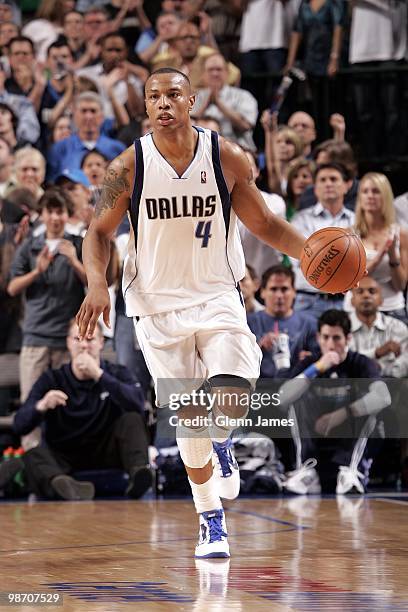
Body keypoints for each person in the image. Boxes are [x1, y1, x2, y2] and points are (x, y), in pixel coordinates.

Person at [76, 67, 307, 559]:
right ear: (145, 106)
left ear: (192, 101)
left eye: (172, 94)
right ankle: (211, 520)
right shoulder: (128, 167)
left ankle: (223, 440)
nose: (163, 103)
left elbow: (264, 222)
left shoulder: (225, 156)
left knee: (229, 391)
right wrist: (97, 282)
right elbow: (96, 234)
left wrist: (310, 253)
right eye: (153, 96)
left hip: (218, 294)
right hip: (157, 308)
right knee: (190, 417)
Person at [9, 319, 152, 501]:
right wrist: (42, 405)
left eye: (90, 339)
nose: (84, 345)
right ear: (69, 343)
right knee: (32, 453)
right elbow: (19, 425)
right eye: (77, 339)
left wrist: (99, 375)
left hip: (107, 451)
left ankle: (139, 474)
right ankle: (63, 484)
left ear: (101, 343)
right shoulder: (52, 379)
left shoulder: (116, 372)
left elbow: (139, 406)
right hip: (65, 456)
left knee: (131, 419)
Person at [279, 309, 391, 494]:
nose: (331, 344)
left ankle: (351, 471)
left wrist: (344, 412)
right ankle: (307, 469)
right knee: (295, 395)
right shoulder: (311, 363)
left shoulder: (361, 363)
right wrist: (316, 369)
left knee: (372, 404)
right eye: (326, 337)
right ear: (318, 337)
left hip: (348, 434)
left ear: (348, 338)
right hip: (315, 431)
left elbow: (383, 396)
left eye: (337, 338)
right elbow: (282, 398)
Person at [7, 188, 87, 406]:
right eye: (49, 211)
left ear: (67, 214)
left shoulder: (78, 244)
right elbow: (12, 288)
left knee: (68, 404)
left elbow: (96, 283)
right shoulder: (29, 246)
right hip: (36, 337)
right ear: (41, 214)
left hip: (68, 339)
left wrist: (74, 260)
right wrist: (36, 272)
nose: (54, 218)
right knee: (32, 404)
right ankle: (31, 443)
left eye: (59, 211)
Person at [290, 162, 355, 318]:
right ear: (315, 187)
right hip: (308, 298)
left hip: (347, 300)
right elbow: (301, 259)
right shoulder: (300, 220)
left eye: (333, 179)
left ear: (347, 185)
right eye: (323, 180)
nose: (328, 184)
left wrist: (324, 253)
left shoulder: (357, 221)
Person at [343, 172, 408, 322]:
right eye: (365, 191)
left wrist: (393, 257)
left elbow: (401, 285)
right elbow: (350, 281)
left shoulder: (401, 234)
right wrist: (379, 256)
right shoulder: (349, 235)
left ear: (386, 196)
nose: (370, 196)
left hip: (391, 308)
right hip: (355, 310)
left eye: (376, 191)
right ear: (360, 198)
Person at [248, 265, 318, 378]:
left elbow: (320, 359)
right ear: (262, 292)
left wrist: (311, 358)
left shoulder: (310, 324)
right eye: (273, 289)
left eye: (284, 289)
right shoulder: (247, 323)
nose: (279, 295)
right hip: (259, 389)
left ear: (294, 292)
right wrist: (258, 346)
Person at [47, 91, 126, 180]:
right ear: (74, 115)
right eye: (83, 111)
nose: (88, 116)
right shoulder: (60, 149)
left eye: (93, 111)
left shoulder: (117, 149)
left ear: (102, 116)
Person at [192, 53, 258, 151]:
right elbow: (187, 125)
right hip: (202, 152)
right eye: (210, 70)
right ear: (203, 74)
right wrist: (205, 104)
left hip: (239, 149)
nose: (215, 73)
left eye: (219, 69)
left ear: (227, 73)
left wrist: (219, 104)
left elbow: (245, 125)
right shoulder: (194, 97)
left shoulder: (243, 96)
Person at [349, 276, 408, 378]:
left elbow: (405, 362)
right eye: (360, 292)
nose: (366, 296)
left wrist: (379, 369)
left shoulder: (398, 327)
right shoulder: (343, 328)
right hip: (353, 385)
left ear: (381, 300)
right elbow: (344, 361)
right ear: (352, 301)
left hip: (391, 383)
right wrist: (377, 353)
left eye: (372, 291)